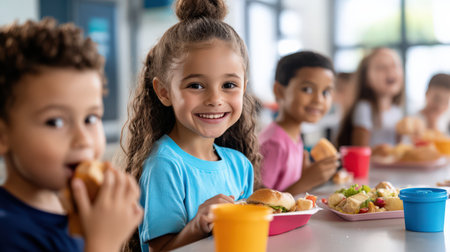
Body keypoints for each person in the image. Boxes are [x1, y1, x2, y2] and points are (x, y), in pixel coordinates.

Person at [121, 0, 260, 251]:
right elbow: (159, 249)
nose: (215, 100)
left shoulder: (240, 166)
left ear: (244, 87)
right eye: (196, 85)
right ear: (164, 92)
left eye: (229, 85)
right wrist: (197, 225)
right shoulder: (165, 165)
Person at [0, 18, 143, 251]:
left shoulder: (83, 211)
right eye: (55, 122)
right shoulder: (8, 234)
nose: (83, 139)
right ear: (3, 136)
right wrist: (104, 243)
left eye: (91, 118)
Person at [258, 51, 339, 195]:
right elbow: (258, 203)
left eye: (325, 92)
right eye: (307, 89)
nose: (319, 100)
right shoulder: (273, 143)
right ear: (279, 91)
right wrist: (306, 182)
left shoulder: (293, 136)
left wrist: (306, 175)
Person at [337, 48, 404, 147]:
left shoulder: (396, 111)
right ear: (366, 79)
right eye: (381, 67)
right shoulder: (364, 108)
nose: (390, 70)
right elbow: (360, 150)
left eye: (395, 65)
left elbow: (398, 146)